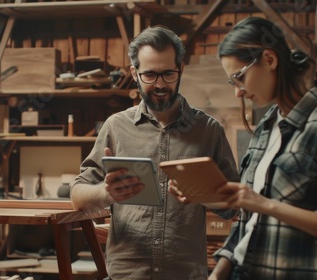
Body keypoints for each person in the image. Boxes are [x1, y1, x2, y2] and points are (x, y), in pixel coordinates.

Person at [198, 17, 317, 279]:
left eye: (239, 77)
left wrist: (267, 205)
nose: (238, 93)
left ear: (269, 60)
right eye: (233, 83)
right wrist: (219, 271)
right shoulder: (265, 128)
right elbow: (248, 221)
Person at [70, 25, 240, 280]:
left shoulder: (208, 130)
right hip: (127, 274)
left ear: (180, 69)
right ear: (134, 73)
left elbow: (234, 205)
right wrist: (105, 193)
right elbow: (77, 196)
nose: (160, 85)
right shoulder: (115, 127)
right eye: (149, 75)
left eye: (168, 74)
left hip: (185, 274)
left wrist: (203, 194)